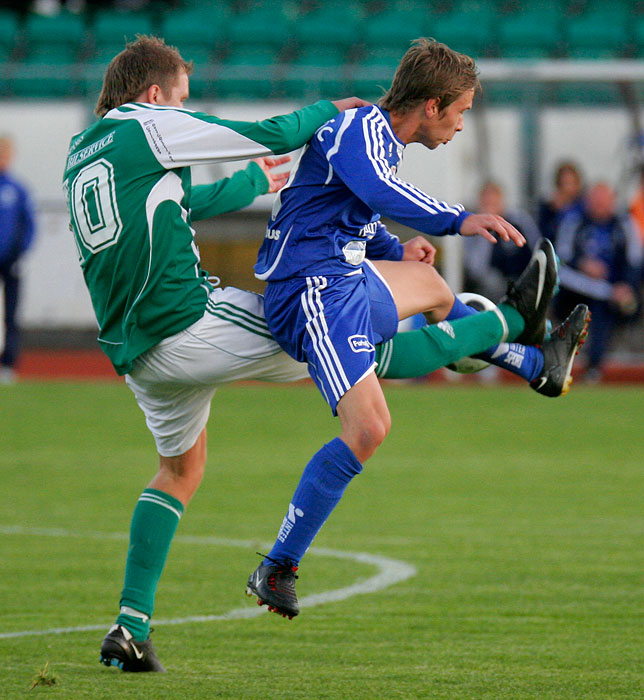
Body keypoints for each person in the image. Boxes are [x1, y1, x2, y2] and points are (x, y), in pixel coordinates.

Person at [65, 36, 585, 673]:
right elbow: (266, 130)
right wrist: (324, 113)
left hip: (136, 350)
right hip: (194, 319)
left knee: (180, 472)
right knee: (359, 367)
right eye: (181, 99)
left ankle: (130, 628)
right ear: (153, 98)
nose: (184, 110)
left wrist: (262, 185)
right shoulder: (149, 125)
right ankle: (513, 326)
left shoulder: (82, 155)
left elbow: (186, 202)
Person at [246, 38, 589, 620]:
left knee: (431, 287)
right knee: (371, 428)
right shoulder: (359, 127)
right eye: (460, 111)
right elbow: (376, 191)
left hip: (343, 278)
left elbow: (360, 209)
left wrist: (394, 246)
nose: (460, 125)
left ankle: (539, 365)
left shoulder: (380, 141)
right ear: (431, 105)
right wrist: (458, 217)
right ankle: (279, 567)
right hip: (310, 292)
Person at [555, 181, 642, 380]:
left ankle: (593, 368)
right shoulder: (574, 221)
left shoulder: (624, 224)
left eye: (605, 201)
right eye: (596, 200)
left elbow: (635, 261)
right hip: (575, 292)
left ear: (613, 202)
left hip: (618, 294)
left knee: (606, 306)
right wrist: (583, 264)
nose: (600, 205)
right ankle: (583, 366)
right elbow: (561, 260)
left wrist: (626, 286)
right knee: (595, 303)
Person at [464, 180, 542, 302]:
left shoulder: (518, 220)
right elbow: (476, 268)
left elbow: (537, 247)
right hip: (495, 285)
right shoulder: (473, 226)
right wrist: (486, 227)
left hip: (522, 278)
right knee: (490, 284)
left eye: (494, 200)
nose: (490, 204)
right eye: (486, 201)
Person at [0, 135, 36, 384]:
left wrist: (21, 252)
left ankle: (8, 364)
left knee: (10, 314)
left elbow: (29, 225)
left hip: (10, 261)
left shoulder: (17, 189)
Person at [537, 161, 584, 244]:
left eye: (571, 183)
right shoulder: (549, 208)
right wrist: (553, 211)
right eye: (565, 183)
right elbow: (543, 235)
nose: (568, 189)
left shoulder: (584, 208)